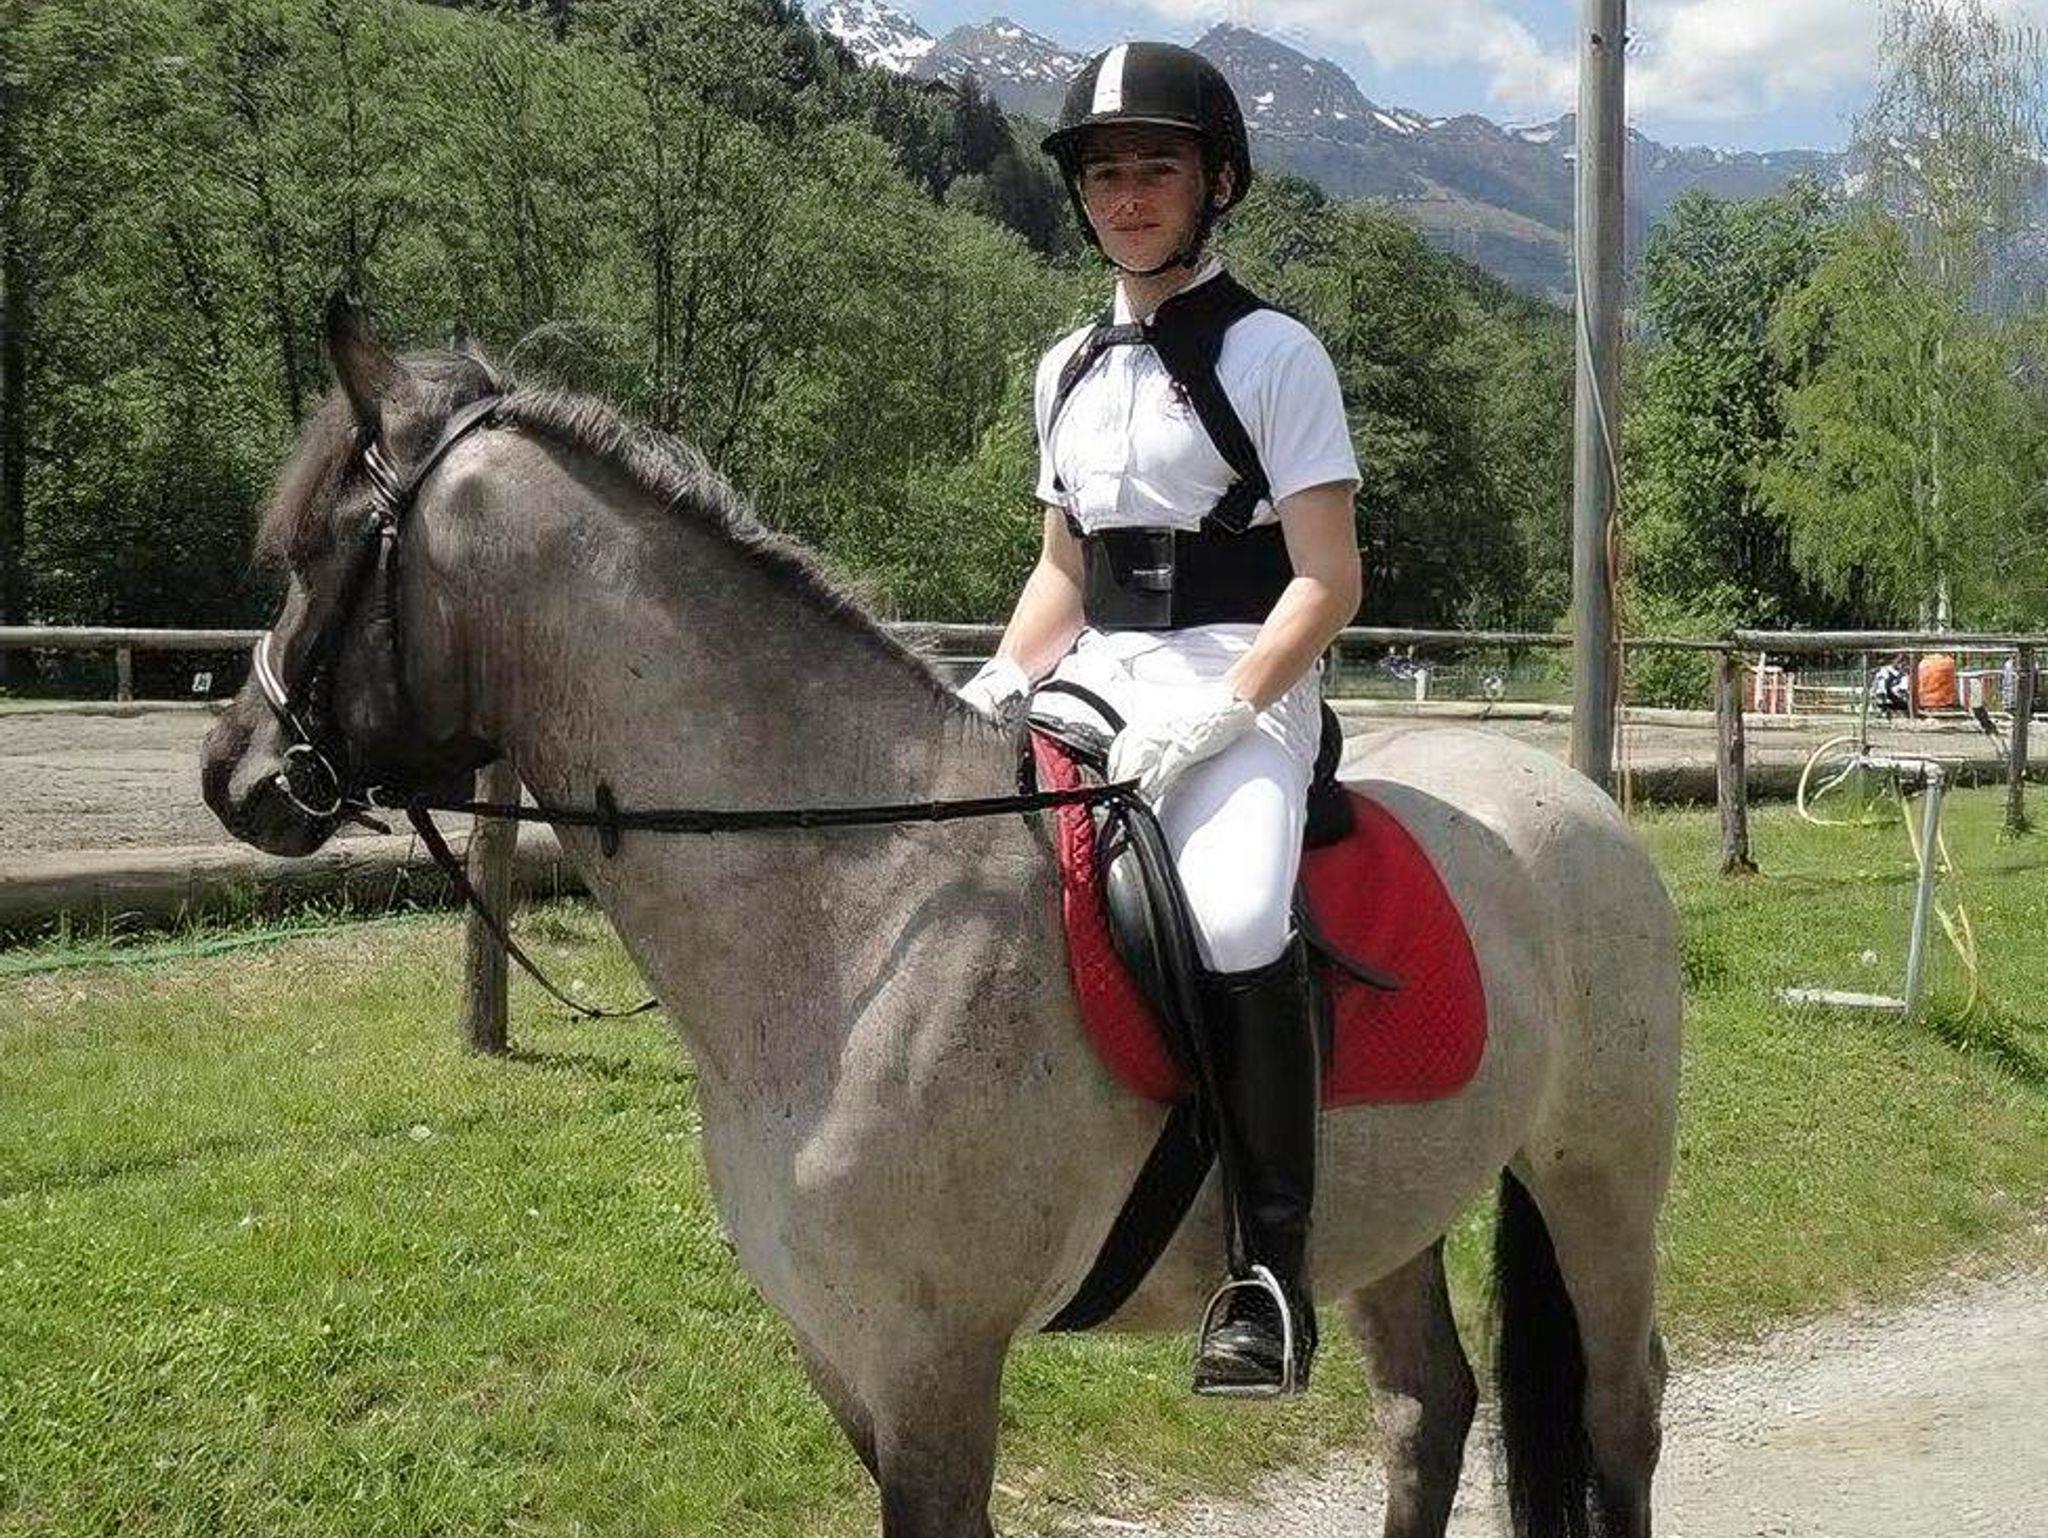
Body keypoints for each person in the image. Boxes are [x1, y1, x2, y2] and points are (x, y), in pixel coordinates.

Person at [954, 41, 1364, 1397]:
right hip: (1100, 668)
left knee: (1238, 915)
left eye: (1156, 170)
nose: (1126, 197)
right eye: (1104, 174)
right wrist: (1000, 677)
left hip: (1246, 671)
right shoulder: (1063, 368)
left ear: (1215, 185)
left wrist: (1225, 717)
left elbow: (1328, 578)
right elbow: (1065, 572)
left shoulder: (1273, 353)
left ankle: (1269, 1273)